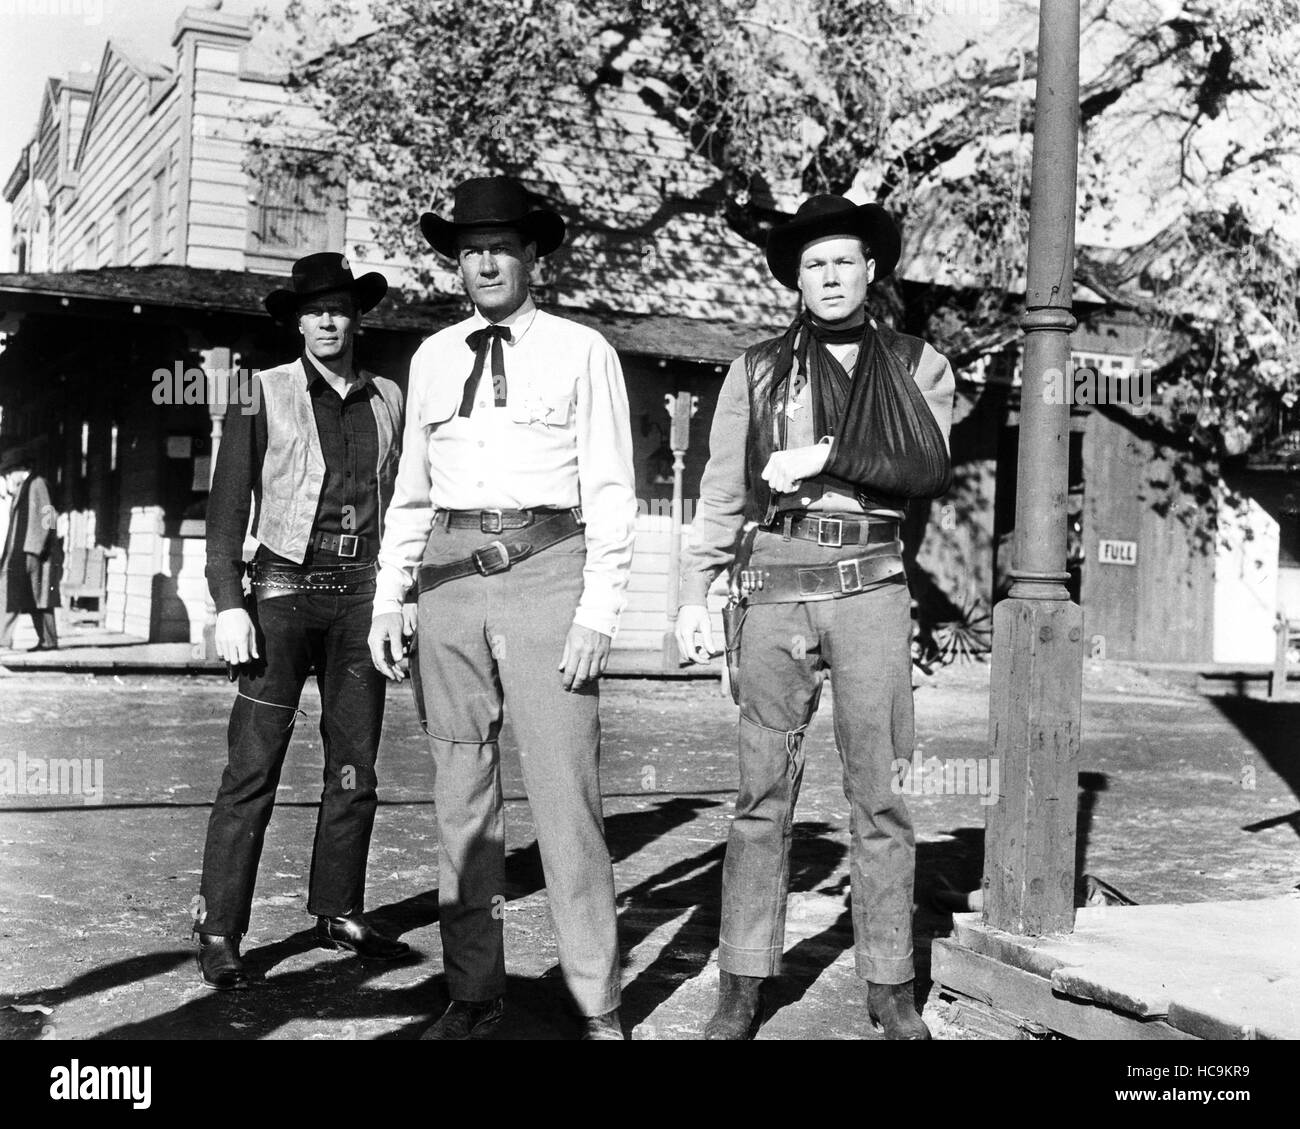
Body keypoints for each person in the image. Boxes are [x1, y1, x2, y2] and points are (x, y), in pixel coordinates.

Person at [675, 194, 956, 1040]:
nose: (830, 276)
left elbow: (923, 464)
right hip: (776, 583)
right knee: (761, 789)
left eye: (845, 260)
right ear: (795, 279)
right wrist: (695, 590)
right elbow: (725, 489)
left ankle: (890, 984)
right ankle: (742, 980)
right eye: (814, 264)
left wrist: (832, 454)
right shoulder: (755, 369)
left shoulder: (917, 364)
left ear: (871, 270)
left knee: (884, 792)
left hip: (871, 583)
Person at [369, 176, 637, 1041]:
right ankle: (474, 993)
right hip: (448, 584)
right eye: (469, 251)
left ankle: (596, 1000)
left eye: (501, 248)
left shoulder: (580, 349)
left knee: (566, 796)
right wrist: (388, 597)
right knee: (462, 798)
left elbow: (610, 490)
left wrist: (599, 611)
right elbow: (409, 492)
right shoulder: (434, 357)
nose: (484, 262)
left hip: (548, 573)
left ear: (533, 258)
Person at [195, 252, 411, 990]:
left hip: (361, 597)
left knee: (356, 767)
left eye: (340, 307)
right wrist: (228, 602)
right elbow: (225, 514)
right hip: (281, 592)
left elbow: (408, 504)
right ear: (296, 320)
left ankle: (337, 909)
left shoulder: (388, 397)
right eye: (313, 309)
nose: (327, 319)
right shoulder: (262, 393)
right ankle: (220, 927)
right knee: (252, 766)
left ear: (358, 317)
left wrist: (400, 595)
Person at [0, 447, 62, 652]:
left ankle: (48, 641)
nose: (8, 477)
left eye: (10, 472)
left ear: (21, 469)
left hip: (33, 552)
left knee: (37, 597)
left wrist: (38, 547)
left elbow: (49, 515)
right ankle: (43, 641)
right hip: (21, 551)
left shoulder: (37, 484)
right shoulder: (24, 487)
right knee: (21, 595)